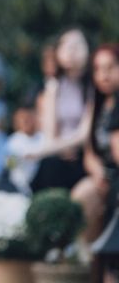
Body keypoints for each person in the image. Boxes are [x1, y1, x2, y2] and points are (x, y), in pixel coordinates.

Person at [30, 28, 91, 192]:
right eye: (65, 45)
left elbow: (84, 133)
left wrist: (45, 150)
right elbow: (49, 131)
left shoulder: (92, 85)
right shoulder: (53, 85)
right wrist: (56, 148)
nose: (71, 51)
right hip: (57, 153)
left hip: (85, 153)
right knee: (49, 167)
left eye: (76, 45)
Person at [71, 45, 119, 247]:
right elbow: (89, 151)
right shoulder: (98, 105)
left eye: (110, 67)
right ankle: (91, 262)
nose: (103, 75)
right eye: (98, 69)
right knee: (81, 196)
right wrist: (98, 171)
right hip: (104, 176)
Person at [5, 104, 44, 195]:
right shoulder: (13, 141)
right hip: (19, 187)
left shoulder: (43, 137)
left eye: (28, 118)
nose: (25, 121)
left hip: (41, 183)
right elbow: (10, 164)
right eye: (21, 119)